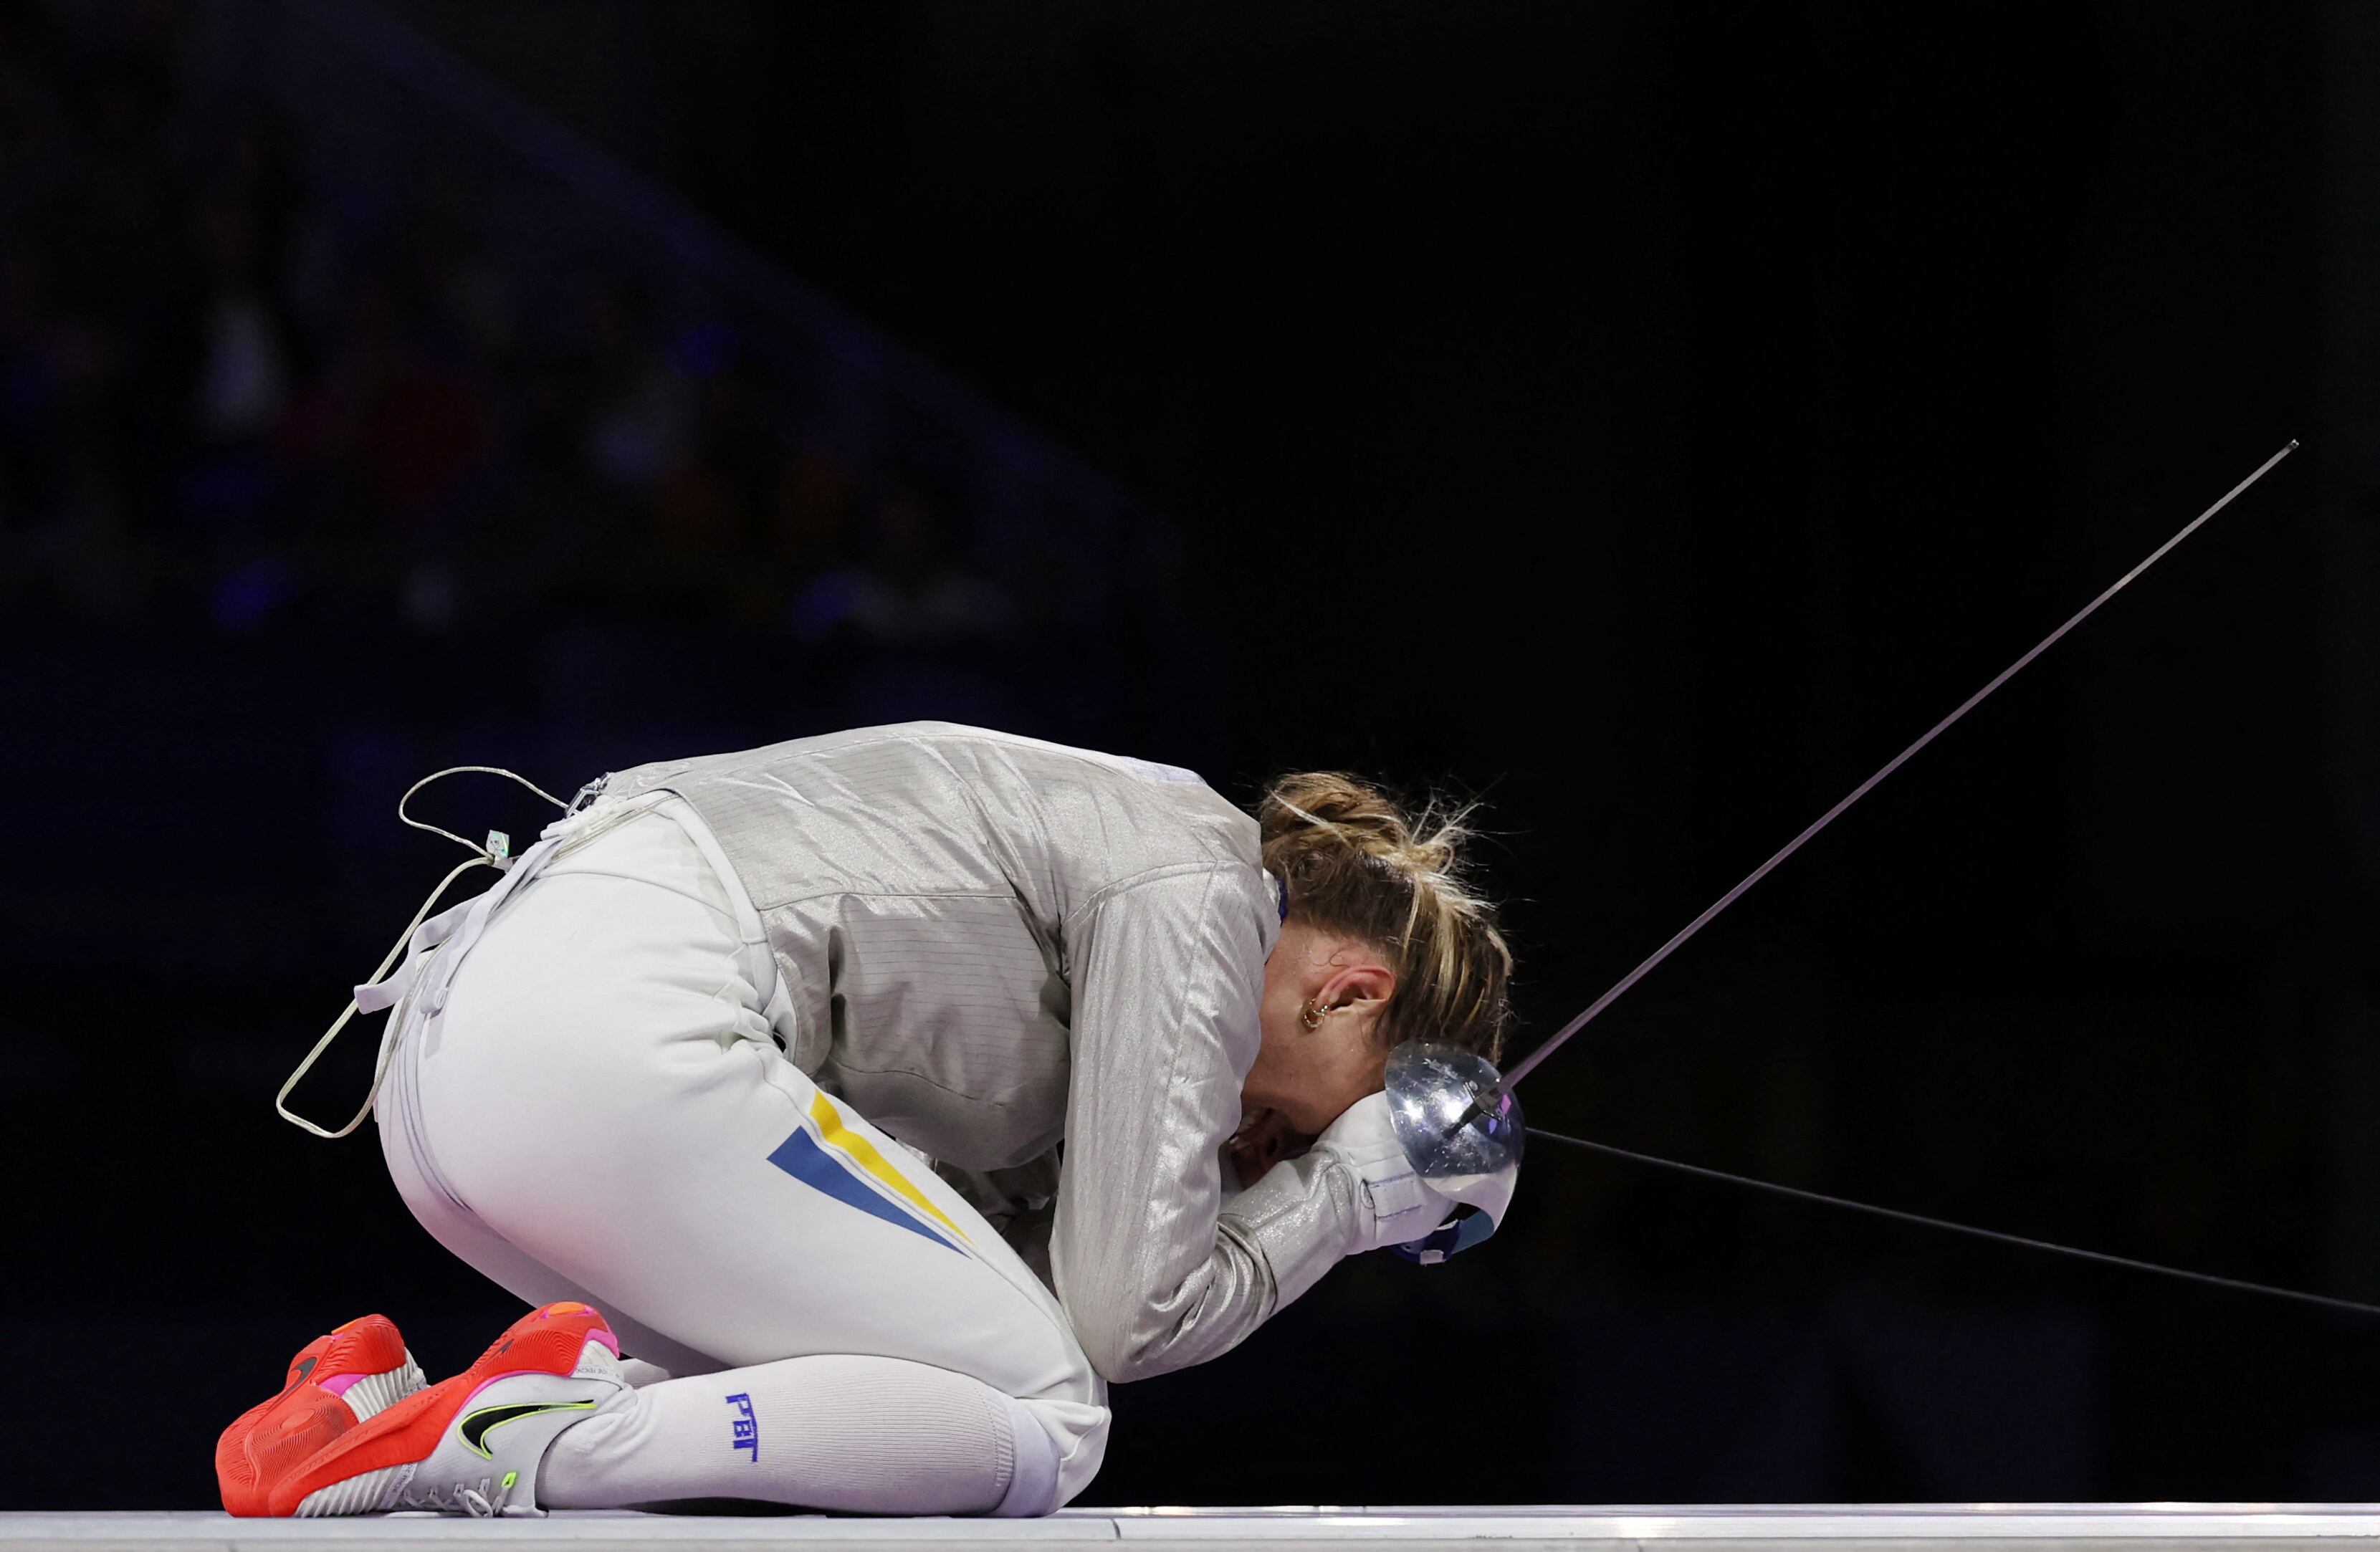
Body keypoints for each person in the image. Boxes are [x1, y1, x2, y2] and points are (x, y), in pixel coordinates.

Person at [221, 722, 1515, 1518]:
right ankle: (524, 1439)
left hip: (456, 1077)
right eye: (1343, 1108)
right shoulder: (1197, 885)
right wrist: (1347, 1195)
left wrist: (1276, 1188)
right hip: (613, 1031)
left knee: (866, 1405)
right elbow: (1127, 1321)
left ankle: (367, 1407)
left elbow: (983, 1304)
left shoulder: (1130, 902)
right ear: (1353, 992)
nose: (1291, 1143)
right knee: (1052, 1423)